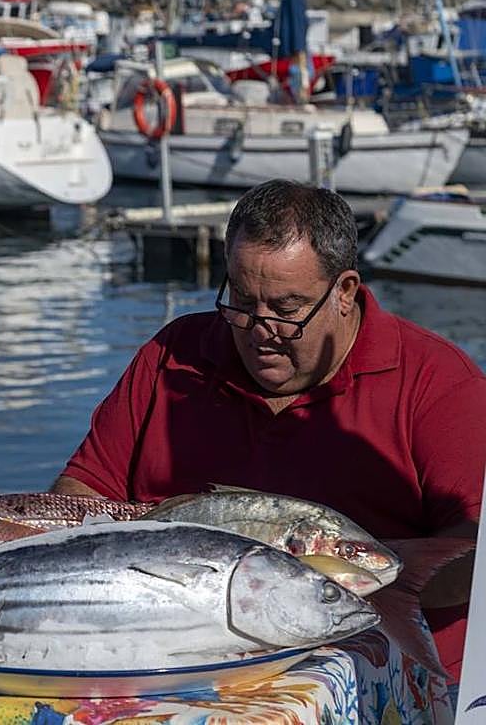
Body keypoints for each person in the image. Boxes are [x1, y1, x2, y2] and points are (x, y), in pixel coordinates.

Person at [53, 179, 485, 682]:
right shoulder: (173, 355)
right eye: (241, 301)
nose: (260, 331)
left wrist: (333, 585)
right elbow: (81, 492)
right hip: (177, 658)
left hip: (380, 673)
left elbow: (471, 555)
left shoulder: (439, 383)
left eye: (286, 310)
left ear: (344, 292)